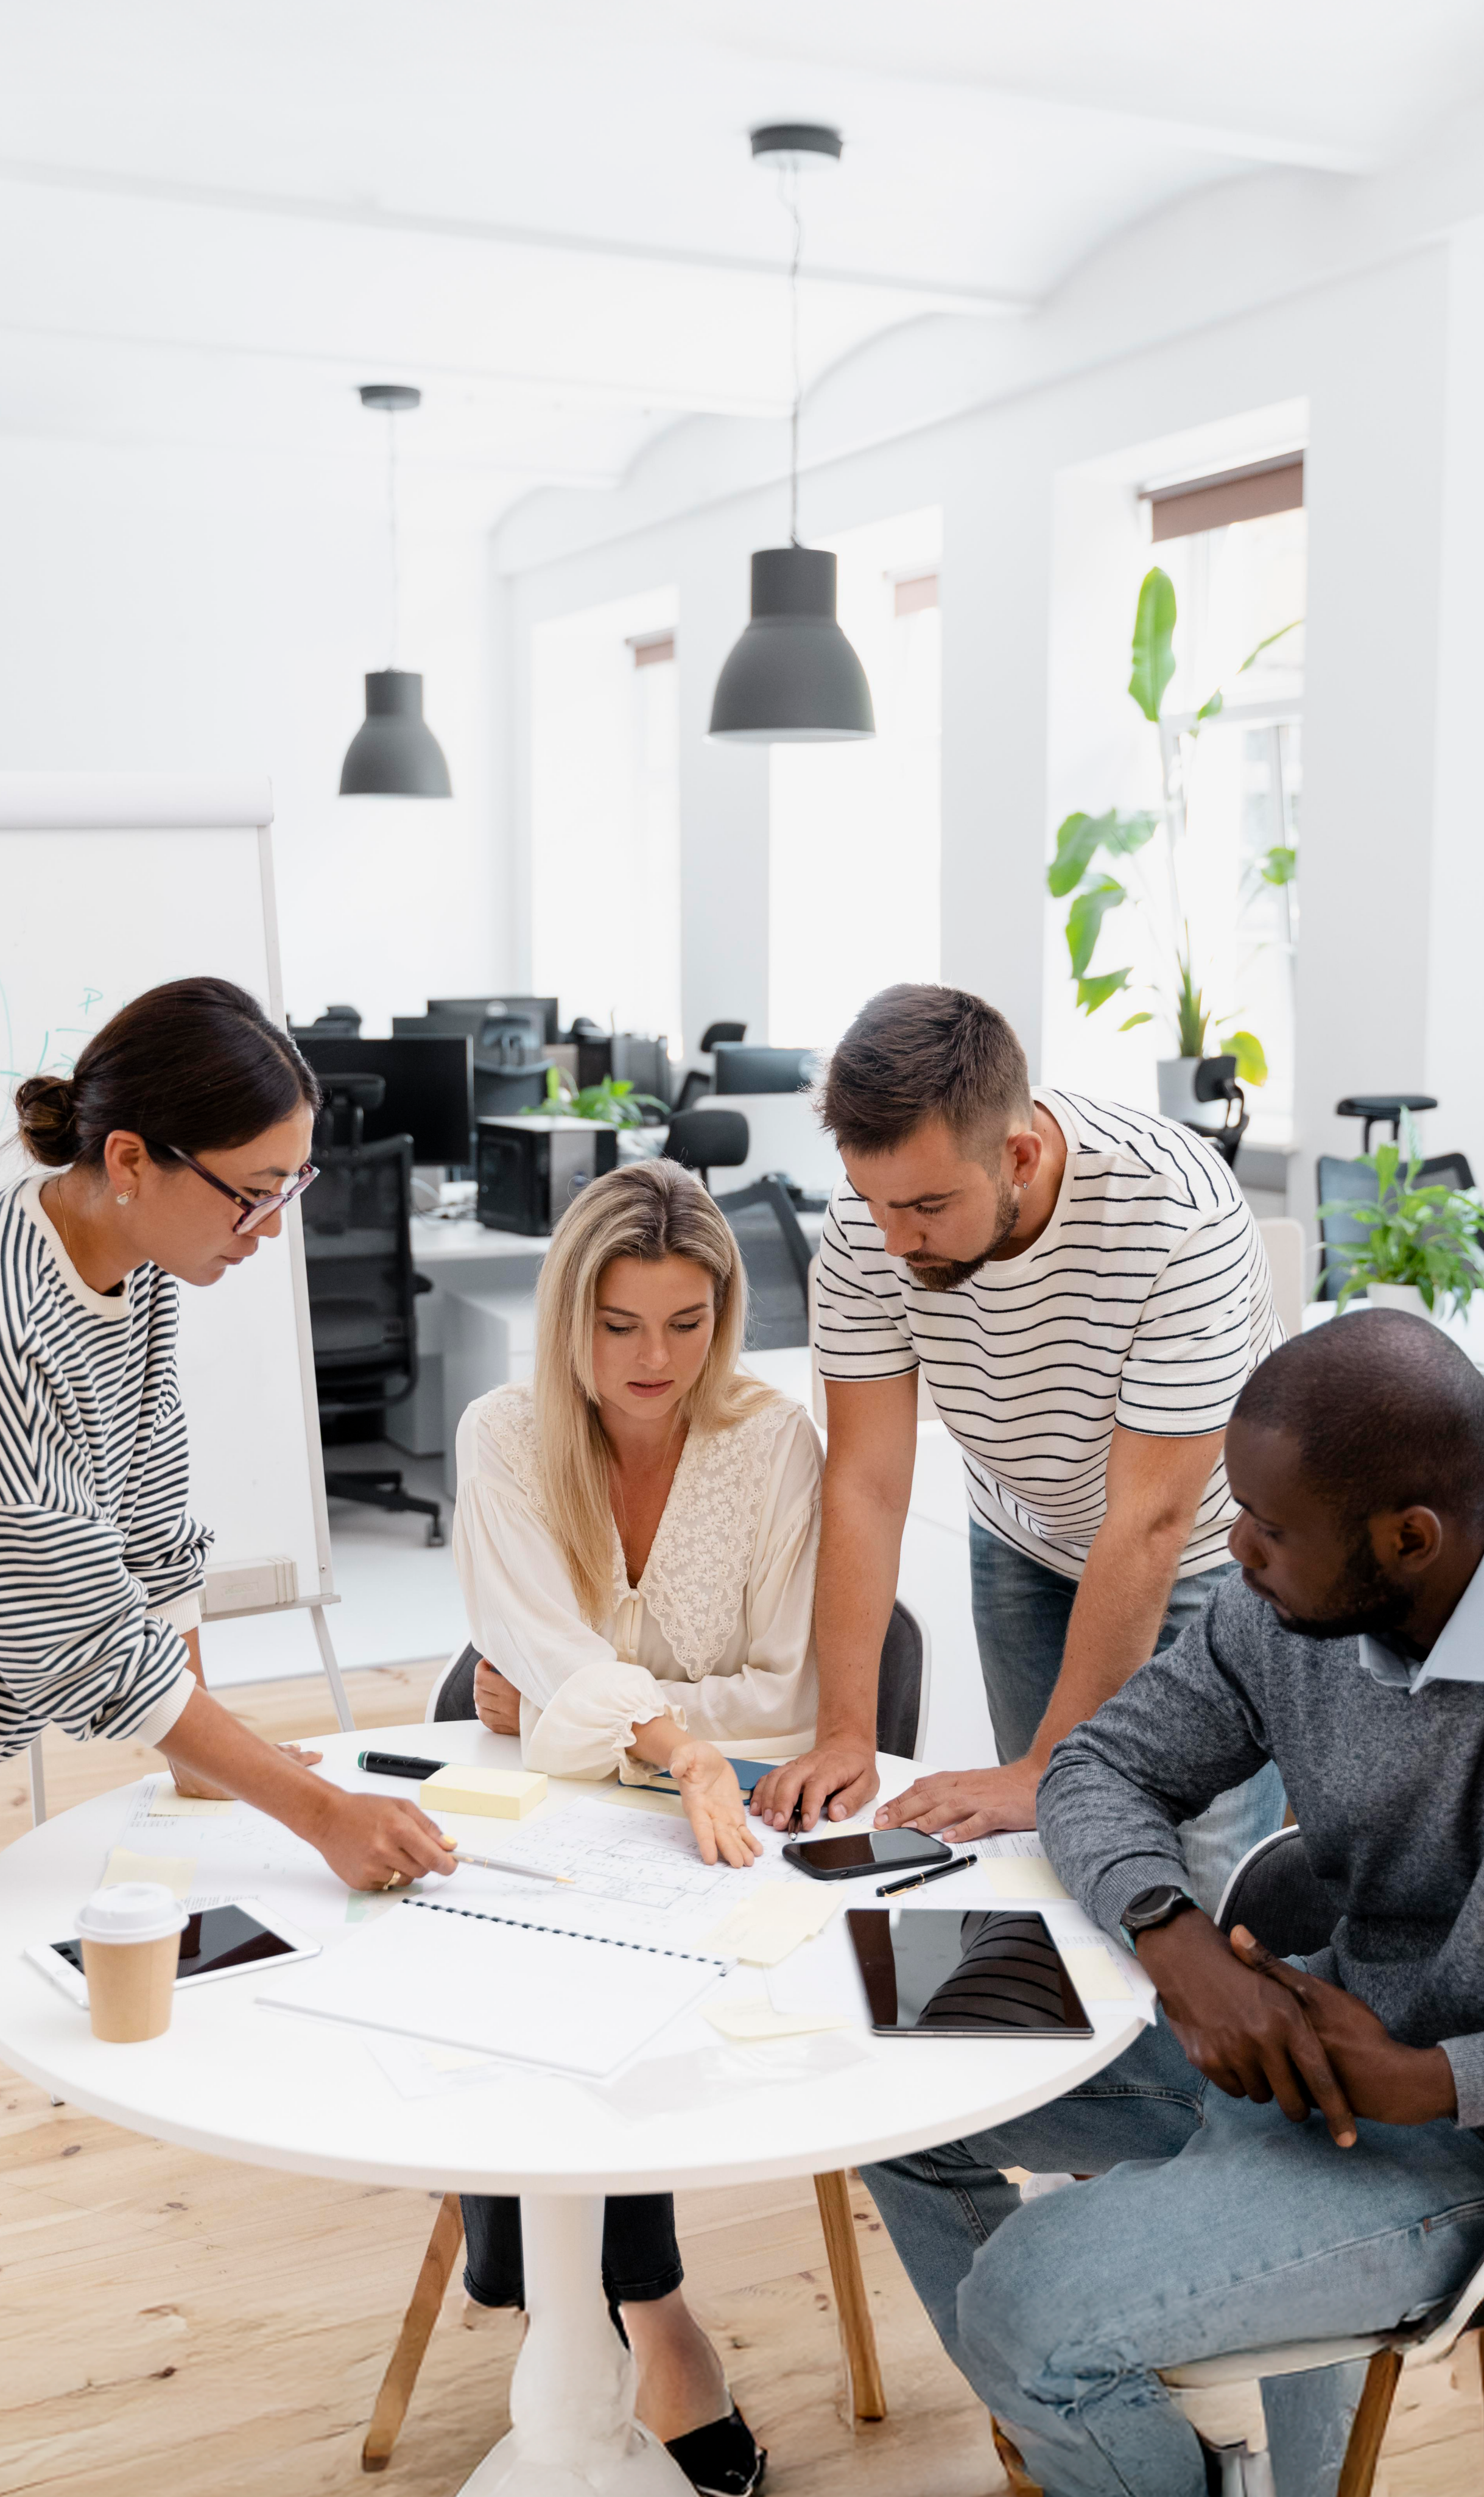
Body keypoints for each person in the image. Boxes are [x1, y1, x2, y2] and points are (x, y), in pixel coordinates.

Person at [862, 1308, 1484, 2497]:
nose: (1235, 1552)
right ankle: (1113, 2423)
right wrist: (1174, 1938)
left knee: (1028, 2314)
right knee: (893, 2035)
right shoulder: (1285, 1600)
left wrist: (1432, 2081)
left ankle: (1075, 2382)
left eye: (1268, 1527)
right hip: (1286, 2034)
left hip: (1439, 2142)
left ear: (1408, 1539)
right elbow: (1095, 1768)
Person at [0, 977, 459, 2292]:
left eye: (296, 1186)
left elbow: (156, 1534)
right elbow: (79, 1647)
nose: (275, 1228)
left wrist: (206, 1782)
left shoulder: (139, 1262)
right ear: (129, 1161)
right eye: (253, 1190)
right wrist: (309, 1807)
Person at [450, 1157, 822, 2497]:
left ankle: (573, 2299)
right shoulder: (501, 1433)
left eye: (686, 1322)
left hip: (682, 1788)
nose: (653, 1359)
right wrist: (644, 1728)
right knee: (536, 1957)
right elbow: (529, 1651)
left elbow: (786, 1695)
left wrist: (569, 1704)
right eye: (618, 1326)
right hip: (545, 1779)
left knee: (648, 1972)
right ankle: (650, 2313)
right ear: (569, 1321)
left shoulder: (775, 1441)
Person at [756, 984, 1284, 1909]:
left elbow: (1150, 1518)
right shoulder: (868, 1226)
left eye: (923, 1205)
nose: (892, 1240)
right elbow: (866, 1484)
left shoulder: (1176, 1214)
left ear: (1020, 1155)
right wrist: (845, 1730)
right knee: (1053, 1861)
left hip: (1205, 1557)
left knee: (1193, 1892)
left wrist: (1047, 1761)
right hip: (1023, 1536)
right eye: (873, 1200)